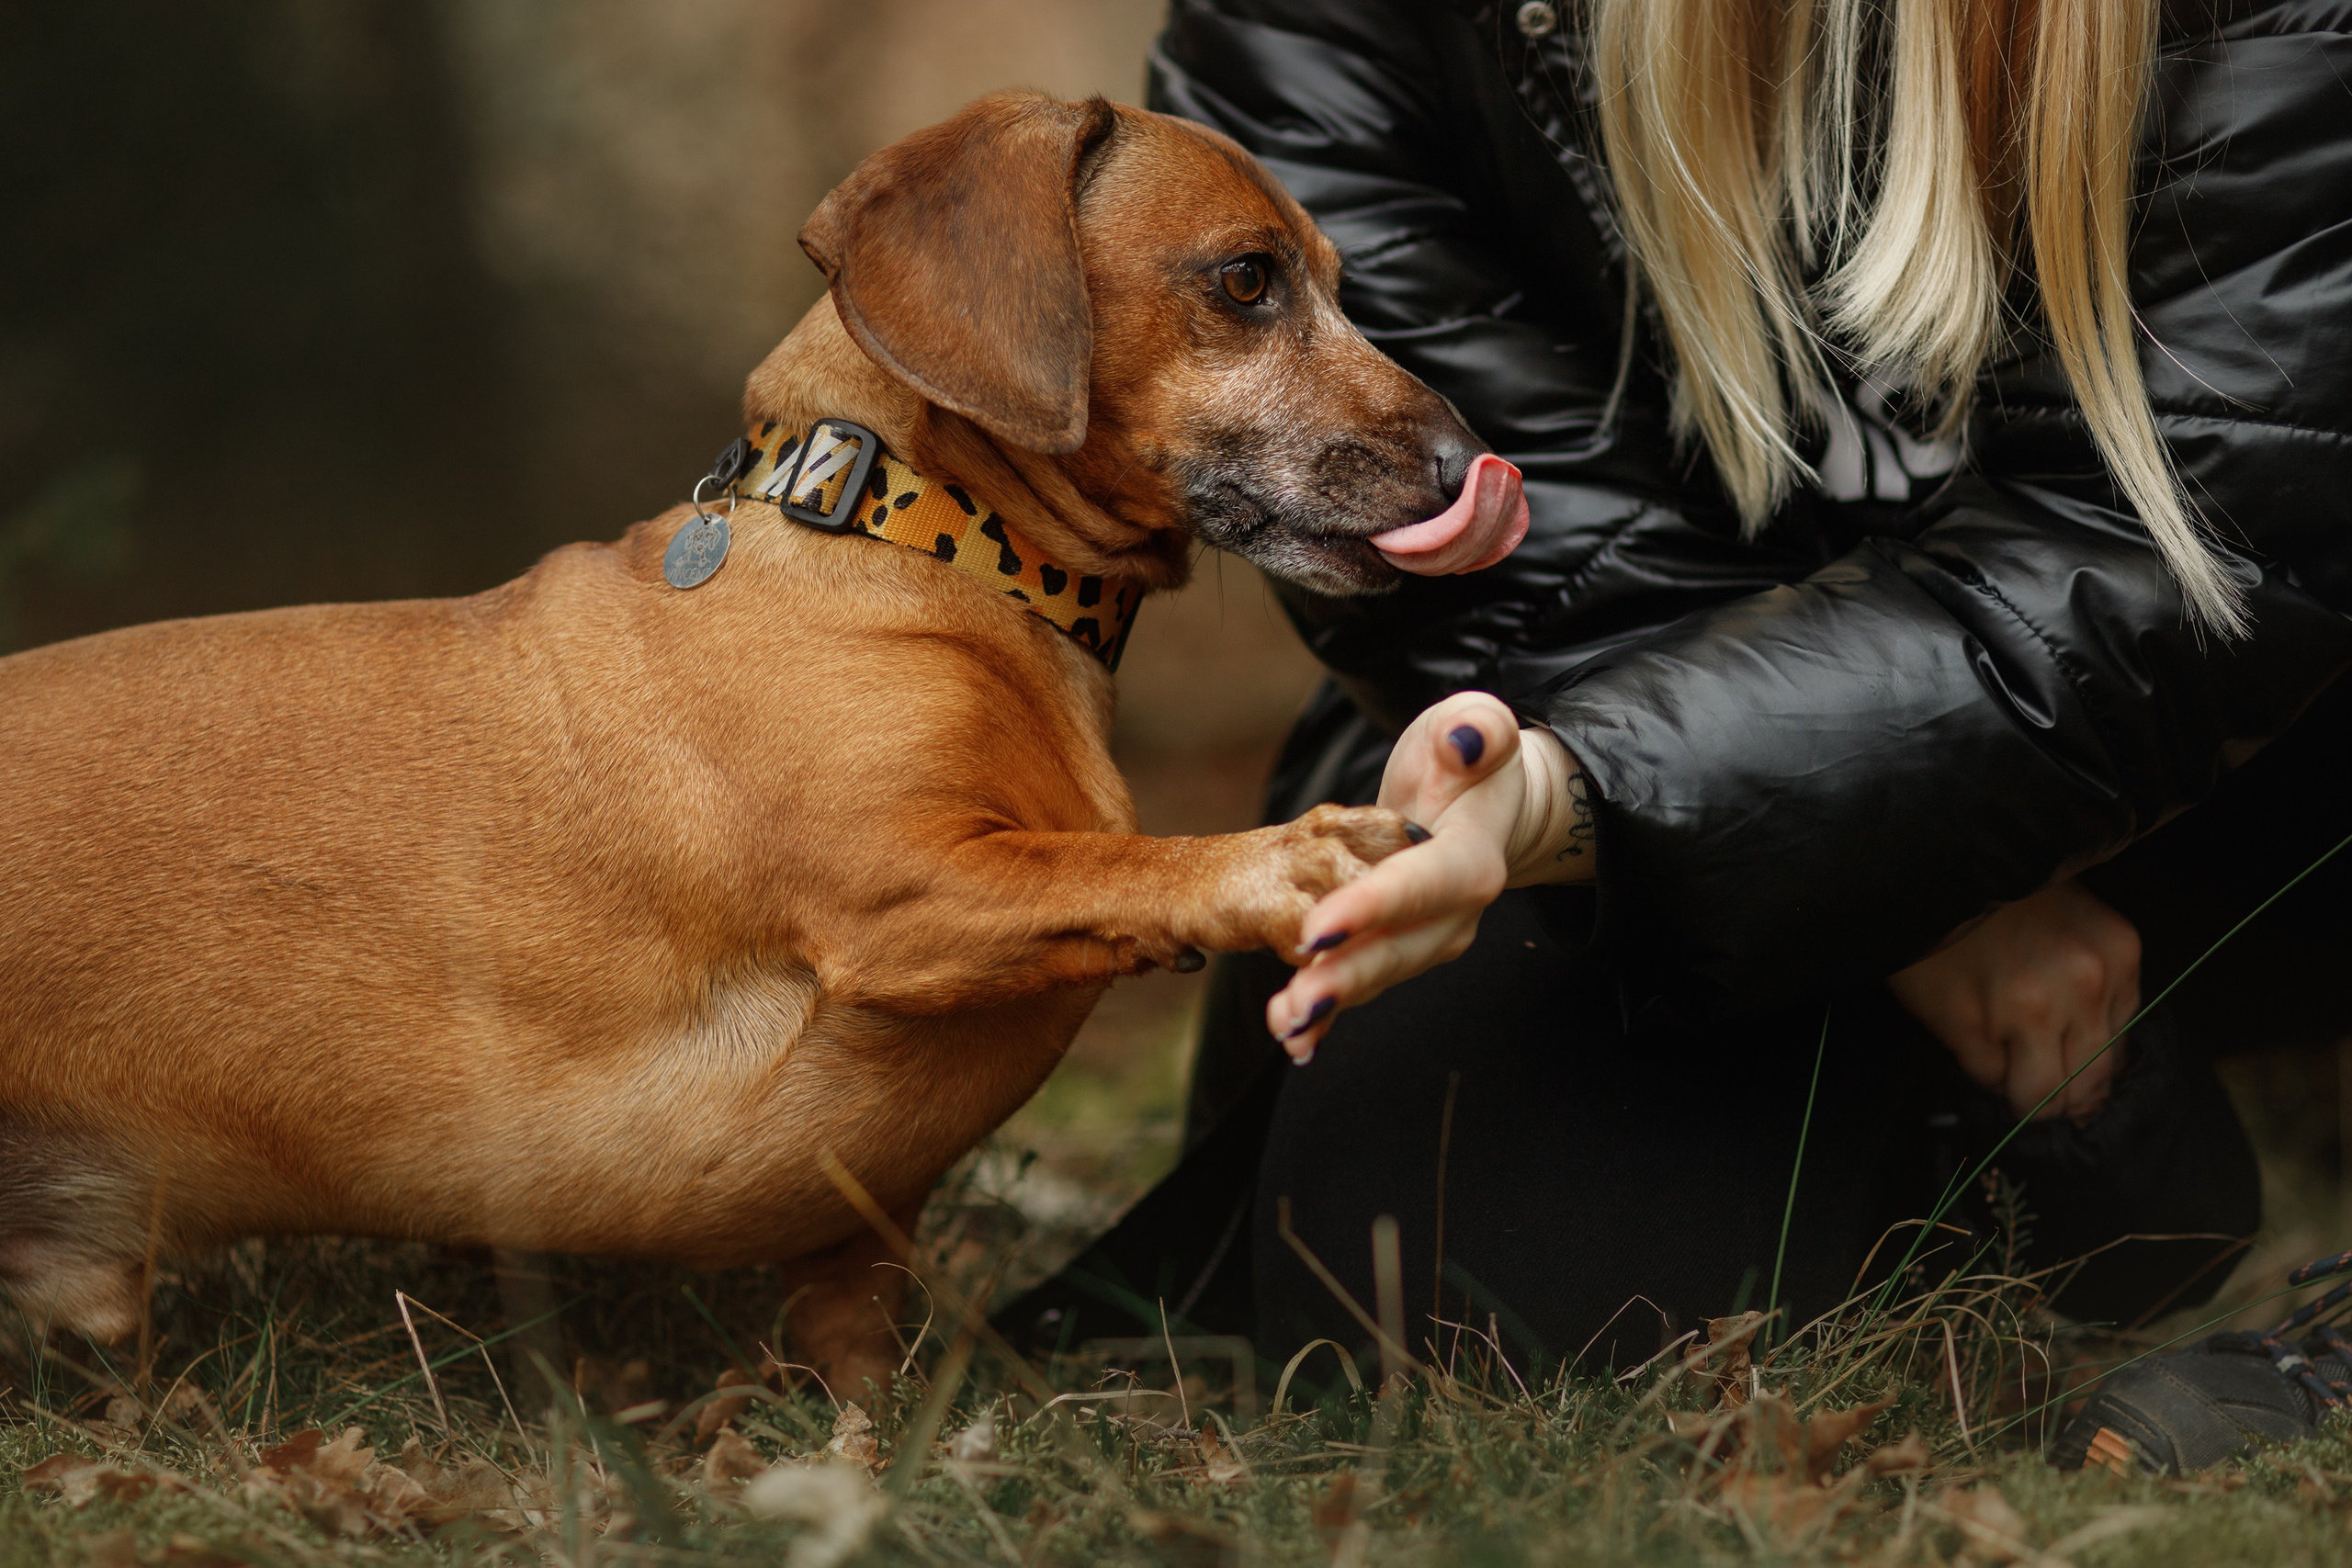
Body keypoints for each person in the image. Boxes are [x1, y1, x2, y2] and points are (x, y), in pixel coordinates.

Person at [1006, 0, 2352, 1468]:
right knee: (1462, 1266)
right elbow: (1478, 523)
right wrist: (1688, 819)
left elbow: (2200, 530)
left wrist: (1681, 796)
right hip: (1636, 718)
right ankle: (2088, 1149)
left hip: (2256, 739)